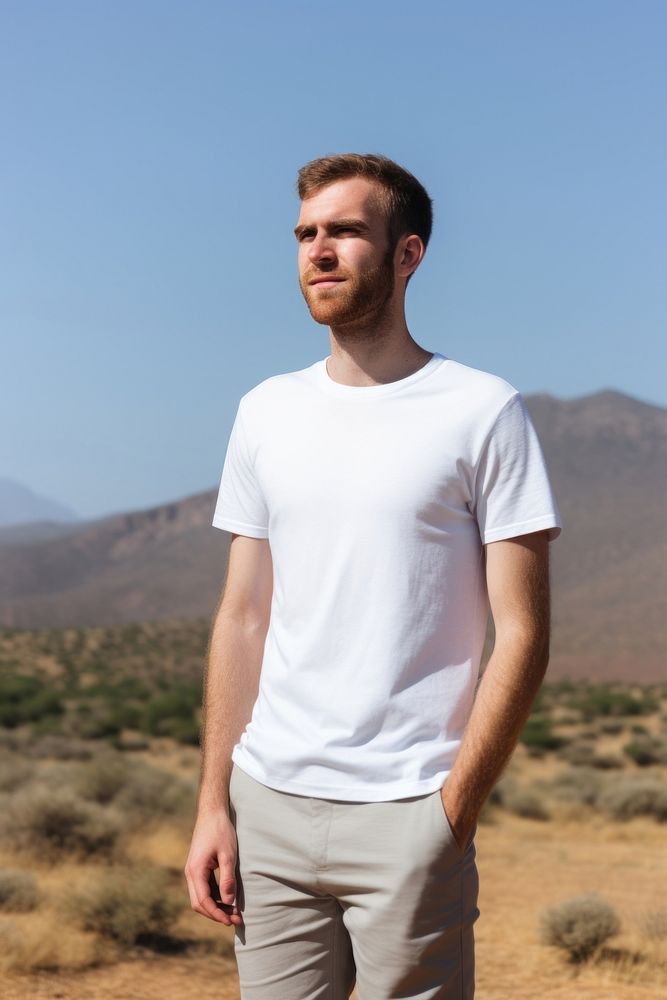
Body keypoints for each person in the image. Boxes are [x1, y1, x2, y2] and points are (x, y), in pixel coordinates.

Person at [184, 153, 562, 999]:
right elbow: (243, 616)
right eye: (306, 234)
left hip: (410, 811)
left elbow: (525, 631)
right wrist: (215, 803)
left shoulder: (481, 410)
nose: (318, 250)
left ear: (407, 254)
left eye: (346, 231)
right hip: (268, 805)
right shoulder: (265, 411)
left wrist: (450, 815)